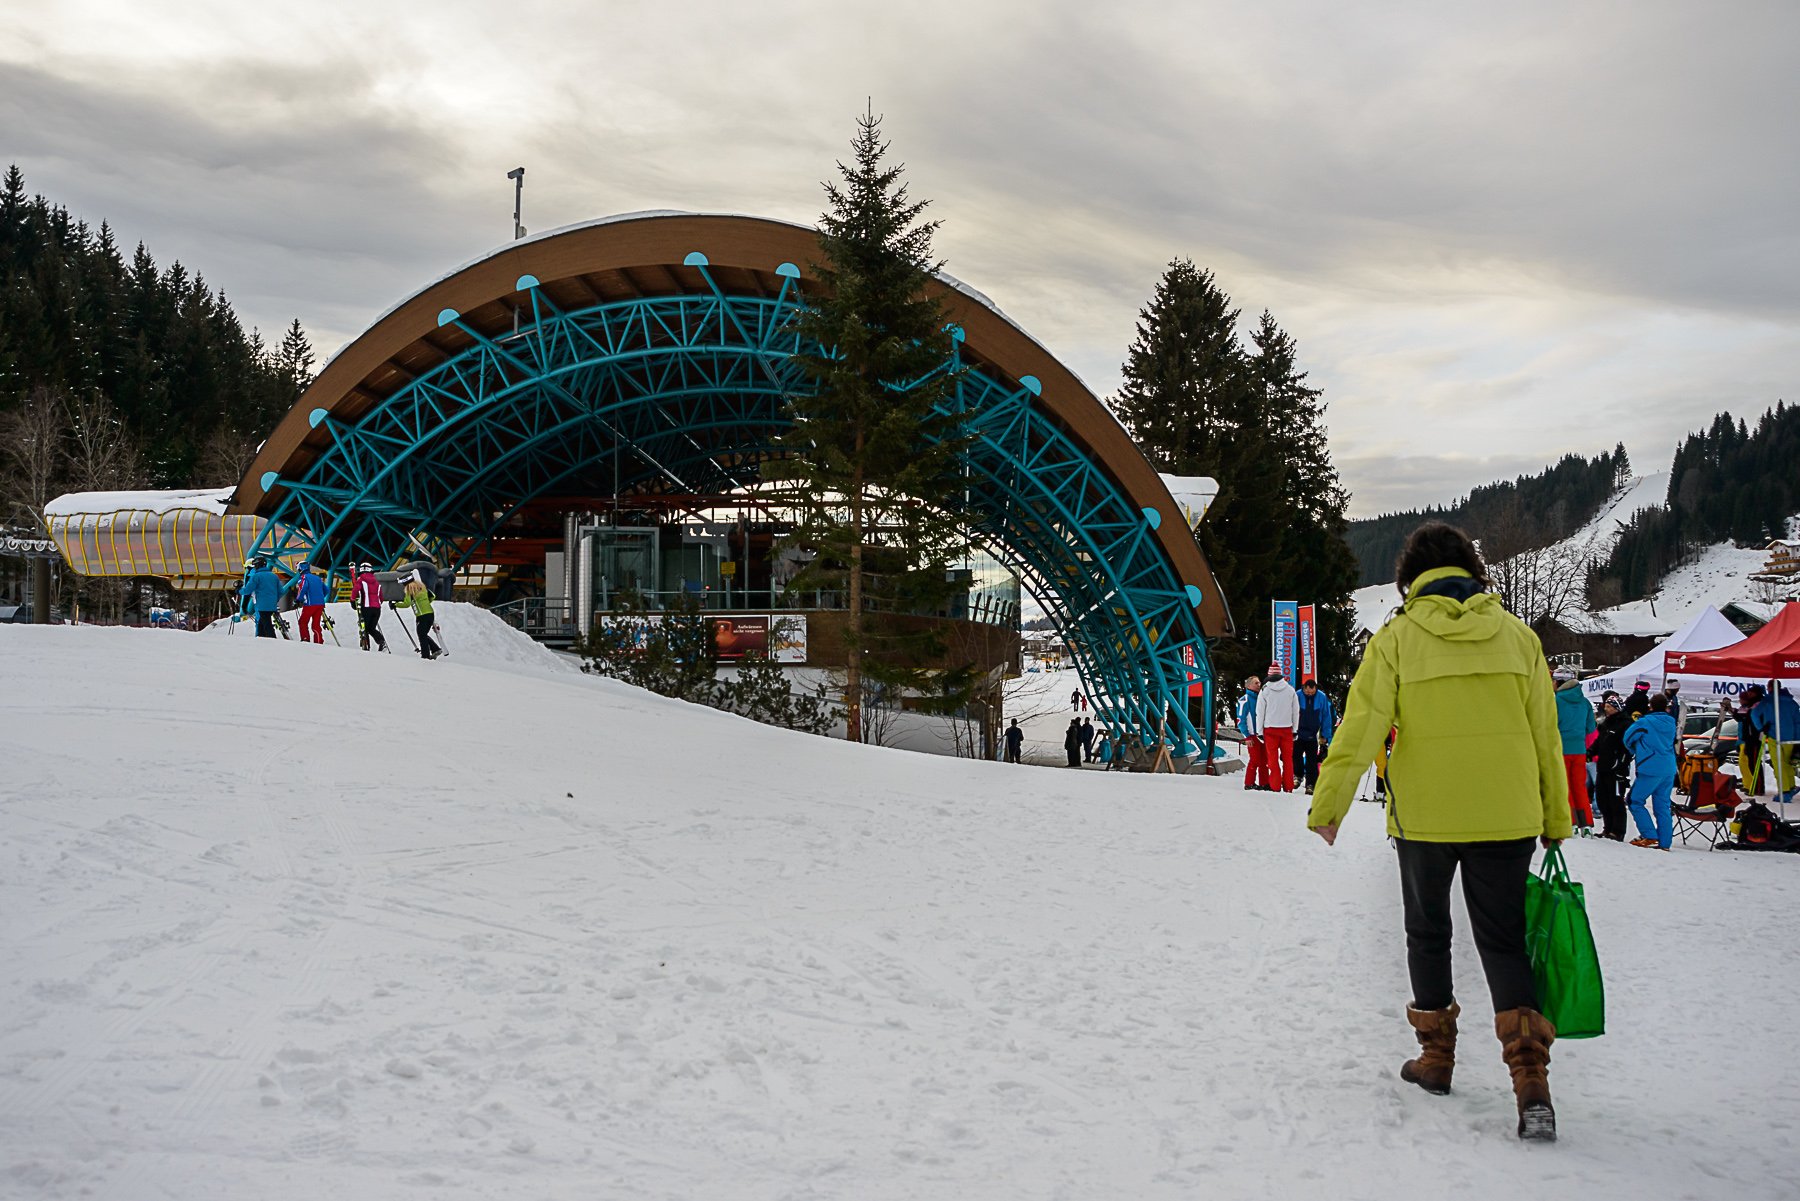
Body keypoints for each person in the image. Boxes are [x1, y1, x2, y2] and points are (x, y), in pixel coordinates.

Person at [1306, 522, 1569, 1142]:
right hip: (1507, 814)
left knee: (1428, 933)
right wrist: (1555, 816)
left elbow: (1361, 726)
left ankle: (1436, 1059)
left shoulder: (1396, 639)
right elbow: (1546, 736)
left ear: (1410, 579)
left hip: (1426, 817)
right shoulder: (1519, 637)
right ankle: (1531, 1078)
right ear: (1472, 570)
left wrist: (1329, 804)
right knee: (1504, 941)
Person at [1623, 693, 1678, 849]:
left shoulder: (1645, 722)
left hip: (1650, 767)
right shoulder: (1671, 722)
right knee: (1662, 805)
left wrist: (1637, 751)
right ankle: (1665, 842)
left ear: (1650, 706)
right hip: (1668, 767)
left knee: (1634, 800)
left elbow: (1628, 738)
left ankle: (1649, 834)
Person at [1552, 666, 1596, 829]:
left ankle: (1571, 821)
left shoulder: (1555, 701)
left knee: (1565, 786)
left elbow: (1549, 725)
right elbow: (1591, 727)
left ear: (1559, 682)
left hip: (1561, 750)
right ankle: (1586, 823)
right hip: (1580, 750)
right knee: (1579, 787)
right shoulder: (1585, 702)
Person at [1748, 682, 1800, 804]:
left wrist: (1761, 727)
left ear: (1770, 688)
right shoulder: (1791, 702)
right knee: (1788, 763)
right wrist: (1797, 739)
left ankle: (1785, 791)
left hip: (1774, 735)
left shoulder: (1767, 701)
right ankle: (1791, 786)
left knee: (1779, 765)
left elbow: (1754, 714)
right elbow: (1798, 722)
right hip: (1790, 736)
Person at [1590, 696, 1631, 841]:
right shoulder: (1606, 723)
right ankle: (1607, 828)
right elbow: (1599, 742)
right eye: (1606, 706)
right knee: (1602, 799)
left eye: (1609, 707)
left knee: (1616, 800)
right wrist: (1590, 752)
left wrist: (1620, 763)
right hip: (1603, 766)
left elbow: (1627, 748)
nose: (1606, 709)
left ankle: (1617, 831)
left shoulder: (1625, 724)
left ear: (1616, 708)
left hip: (1617, 769)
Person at [1256, 663, 1299, 793]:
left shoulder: (1265, 690)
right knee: (1288, 760)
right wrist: (1295, 729)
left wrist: (1259, 732)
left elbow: (1260, 713)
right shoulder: (1290, 690)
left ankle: (1275, 786)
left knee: (1272, 760)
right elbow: (1296, 712)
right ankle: (1288, 787)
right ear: (1280, 675)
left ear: (1269, 675)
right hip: (1287, 729)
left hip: (1270, 729)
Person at [1295, 677, 1336, 795]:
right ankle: (1298, 775)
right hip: (1298, 732)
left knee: (1312, 761)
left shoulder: (1321, 697)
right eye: (1307, 692)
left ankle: (1310, 784)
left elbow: (1326, 717)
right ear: (1304, 688)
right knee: (1296, 756)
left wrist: (1325, 735)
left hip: (1313, 734)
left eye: (1312, 692)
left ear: (1315, 689)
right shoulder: (1297, 695)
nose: (1309, 694)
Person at [238, 557, 284, 639]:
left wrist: (239, 591)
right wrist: (274, 599)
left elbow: (248, 590)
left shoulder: (256, 576)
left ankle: (272, 640)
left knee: (266, 624)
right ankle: (261, 639)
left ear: (257, 565)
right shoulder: (274, 576)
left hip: (262, 605)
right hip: (272, 605)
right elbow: (281, 591)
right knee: (261, 624)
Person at [400, 575, 440, 660]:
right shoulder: (422, 587)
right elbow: (433, 596)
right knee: (423, 635)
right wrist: (425, 603)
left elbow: (406, 604)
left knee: (421, 636)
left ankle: (425, 656)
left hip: (422, 616)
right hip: (430, 614)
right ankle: (435, 649)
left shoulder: (410, 590)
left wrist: (395, 604)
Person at [351, 561, 389, 652]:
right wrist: (377, 604)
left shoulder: (361, 580)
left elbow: (355, 590)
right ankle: (381, 642)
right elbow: (381, 598)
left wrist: (352, 601)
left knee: (365, 628)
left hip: (366, 608)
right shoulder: (376, 582)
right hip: (377, 609)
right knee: (371, 628)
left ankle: (366, 647)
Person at [1237, 675, 1266, 791]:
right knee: (1255, 759)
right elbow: (1241, 720)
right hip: (1252, 735)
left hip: (1262, 734)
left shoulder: (1262, 698)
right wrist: (1247, 736)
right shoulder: (1244, 700)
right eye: (1256, 683)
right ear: (1248, 686)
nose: (1259, 685)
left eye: (1259, 683)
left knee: (1264, 760)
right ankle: (1249, 782)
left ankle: (1265, 783)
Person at [1735, 685, 1765, 793]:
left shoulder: (1757, 704)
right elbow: (1741, 717)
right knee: (1751, 764)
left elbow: (1749, 719)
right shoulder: (1751, 705)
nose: (1749, 694)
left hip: (1754, 738)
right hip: (1748, 737)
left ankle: (1758, 788)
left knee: (1754, 763)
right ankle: (1754, 786)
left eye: (1751, 692)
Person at [290, 563, 328, 644]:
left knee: (302, 622)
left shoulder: (304, 578)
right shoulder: (317, 578)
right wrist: (320, 597)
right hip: (320, 604)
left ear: (300, 569)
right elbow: (326, 590)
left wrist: (298, 600)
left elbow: (302, 589)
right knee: (316, 625)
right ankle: (319, 641)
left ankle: (305, 639)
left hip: (310, 604)